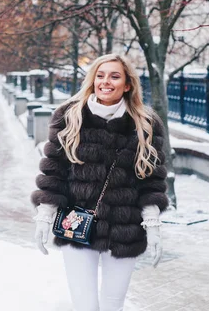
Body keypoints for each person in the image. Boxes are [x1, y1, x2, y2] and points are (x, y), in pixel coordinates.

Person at [31, 54, 168, 311]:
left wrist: (152, 224)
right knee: (85, 305)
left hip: (124, 227)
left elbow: (152, 180)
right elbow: (54, 172)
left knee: (112, 305)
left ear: (128, 84)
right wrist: (44, 214)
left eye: (115, 76)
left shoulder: (145, 124)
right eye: (101, 75)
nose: (106, 81)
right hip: (77, 222)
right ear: (93, 80)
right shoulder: (69, 116)